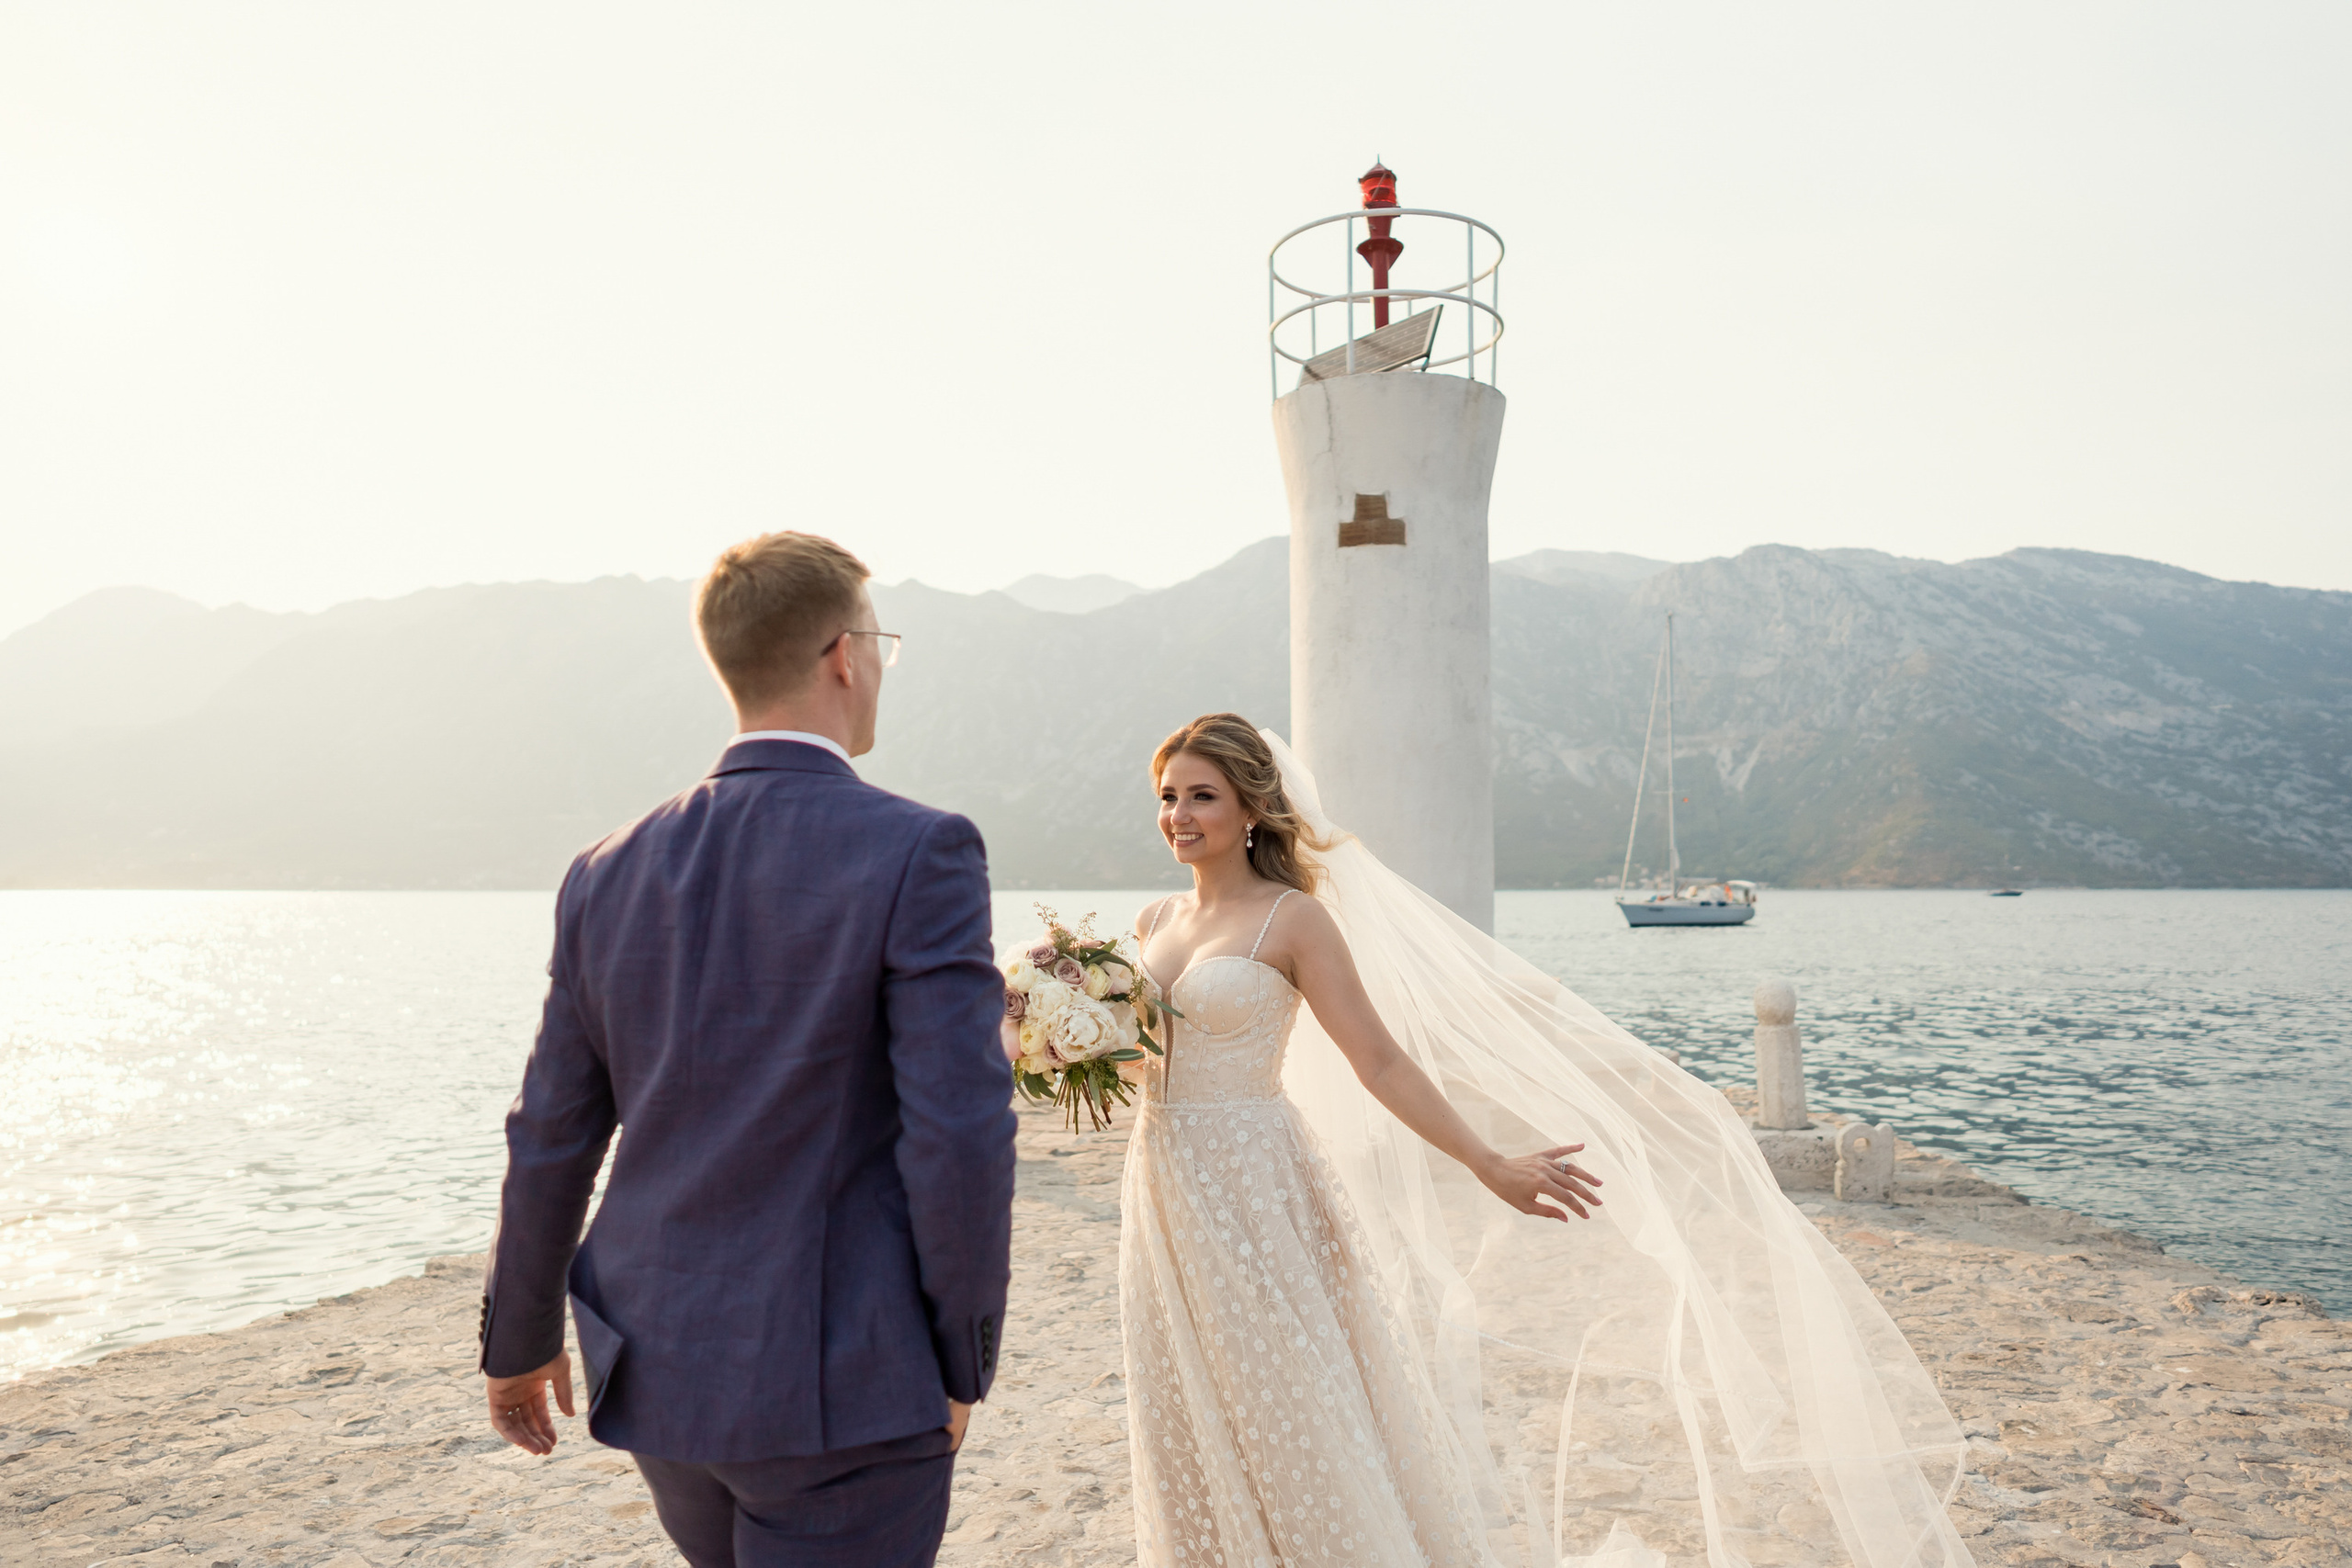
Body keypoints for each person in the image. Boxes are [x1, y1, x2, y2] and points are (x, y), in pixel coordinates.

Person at [1118, 715, 1974, 1568]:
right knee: (1179, 1399)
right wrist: (1043, 1024)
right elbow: (1122, 1048)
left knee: (1284, 1402)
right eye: (1169, 796)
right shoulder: (1155, 920)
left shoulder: (1293, 919)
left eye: (1203, 795)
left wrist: (1486, 1160)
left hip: (1258, 1190)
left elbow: (1379, 1060)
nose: (1180, 814)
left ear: (1253, 807)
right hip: (1161, 1184)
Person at [478, 530, 1015, 1568]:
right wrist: (958, 1360)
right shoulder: (920, 849)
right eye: (880, 644)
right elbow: (958, 1134)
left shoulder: (604, 870)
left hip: (661, 1364)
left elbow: (550, 1132)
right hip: (850, 1378)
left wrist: (521, 1337)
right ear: (845, 655)